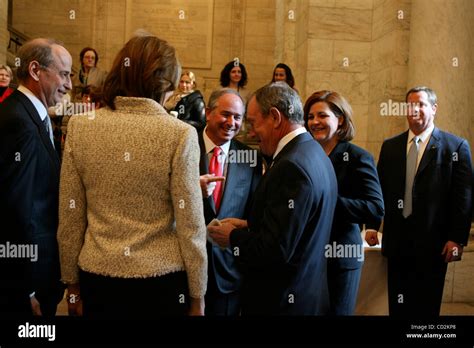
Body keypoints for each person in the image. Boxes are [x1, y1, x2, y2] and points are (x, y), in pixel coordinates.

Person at [57, 33, 207, 318]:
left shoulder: (80, 127)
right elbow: (191, 226)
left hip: (98, 277)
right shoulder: (180, 134)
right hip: (161, 280)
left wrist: (72, 285)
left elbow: (70, 215)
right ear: (167, 81)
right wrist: (198, 296)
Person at [208, 82, 338, 315]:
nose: (250, 132)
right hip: (306, 295)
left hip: (282, 302)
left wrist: (233, 237)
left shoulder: (291, 166)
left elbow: (274, 252)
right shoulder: (314, 152)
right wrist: (251, 225)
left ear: (275, 117)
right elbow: (295, 227)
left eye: (253, 122)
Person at [365, 86, 473, 316]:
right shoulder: (391, 146)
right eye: (410, 105)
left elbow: (463, 198)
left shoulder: (456, 147)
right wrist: (372, 224)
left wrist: (457, 239)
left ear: (434, 109)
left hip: (434, 245)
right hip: (397, 243)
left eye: (421, 104)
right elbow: (378, 189)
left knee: (425, 308)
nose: (415, 110)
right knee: (398, 305)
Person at [0, 38, 72, 317]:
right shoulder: (20, 122)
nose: (68, 84)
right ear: (35, 70)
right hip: (26, 283)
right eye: (63, 74)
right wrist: (24, 289)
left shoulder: (32, 116)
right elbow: (14, 210)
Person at [304, 90, 384, 315]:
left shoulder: (359, 157)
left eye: (322, 116)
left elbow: (375, 207)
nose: (315, 122)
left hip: (341, 255)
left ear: (339, 120)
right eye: (310, 117)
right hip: (308, 255)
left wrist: (326, 201)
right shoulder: (306, 155)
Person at [199, 88, 262, 315]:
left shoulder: (251, 159)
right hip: (185, 270)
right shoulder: (184, 146)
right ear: (208, 113)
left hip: (229, 274)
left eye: (238, 117)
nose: (231, 122)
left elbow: (253, 213)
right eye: (225, 114)